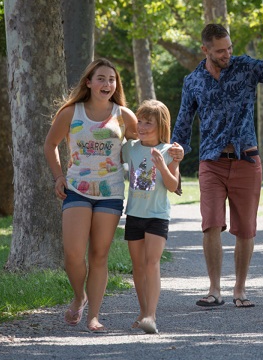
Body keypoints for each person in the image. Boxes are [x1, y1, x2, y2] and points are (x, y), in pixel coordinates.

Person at [172, 24, 263, 308]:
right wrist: (174, 166)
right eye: (220, 50)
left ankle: (240, 289)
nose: (227, 53)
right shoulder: (193, 81)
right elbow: (182, 125)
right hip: (211, 162)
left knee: (245, 229)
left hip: (246, 160)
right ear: (205, 50)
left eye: (229, 48)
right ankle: (215, 290)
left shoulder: (245, 67)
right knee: (210, 224)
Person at [44, 58, 138, 332]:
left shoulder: (124, 115)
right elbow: (50, 145)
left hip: (110, 192)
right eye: (101, 78)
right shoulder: (71, 112)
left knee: (99, 254)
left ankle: (93, 315)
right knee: (73, 253)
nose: (107, 84)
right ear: (88, 82)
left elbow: (139, 146)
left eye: (111, 79)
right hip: (76, 190)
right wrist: (58, 177)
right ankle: (79, 296)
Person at [121, 99, 182, 334]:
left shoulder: (170, 150)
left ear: (161, 126)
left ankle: (151, 315)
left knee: (152, 263)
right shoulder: (130, 148)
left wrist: (163, 165)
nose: (142, 126)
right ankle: (142, 310)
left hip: (157, 215)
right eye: (140, 121)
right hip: (134, 214)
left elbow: (172, 184)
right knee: (137, 266)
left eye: (149, 123)